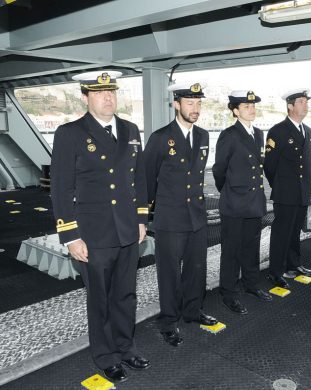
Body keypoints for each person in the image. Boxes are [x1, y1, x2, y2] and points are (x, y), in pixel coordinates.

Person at [50, 70, 150, 382]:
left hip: (127, 231)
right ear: (86, 97)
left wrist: (141, 219)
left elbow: (140, 179)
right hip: (93, 235)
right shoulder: (70, 133)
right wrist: (70, 236)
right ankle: (105, 355)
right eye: (99, 93)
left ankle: (125, 346)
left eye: (111, 92)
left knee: (126, 294)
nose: (108, 98)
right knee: (101, 298)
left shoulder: (131, 129)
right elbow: (61, 189)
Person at [144, 82, 218, 348]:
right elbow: (146, 179)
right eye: (190, 103)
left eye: (198, 103)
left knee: (197, 269)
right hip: (170, 218)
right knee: (169, 274)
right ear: (176, 104)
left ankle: (192, 311)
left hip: (196, 215)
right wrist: (145, 216)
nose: (195, 109)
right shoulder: (161, 137)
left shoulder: (204, 136)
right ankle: (168, 320)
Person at [212, 90, 272, 315]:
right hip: (235, 202)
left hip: (254, 200)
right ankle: (228, 293)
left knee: (251, 247)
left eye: (253, 106)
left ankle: (251, 284)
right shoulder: (229, 135)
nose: (252, 109)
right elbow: (219, 170)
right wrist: (229, 191)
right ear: (235, 111)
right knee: (232, 251)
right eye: (247, 107)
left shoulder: (258, 133)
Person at [264, 88, 311, 289]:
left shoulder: (307, 130)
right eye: (301, 101)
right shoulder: (278, 131)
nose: (306, 105)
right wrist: (279, 185)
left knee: (296, 231)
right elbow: (269, 165)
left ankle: (294, 264)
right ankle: (275, 271)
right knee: (281, 233)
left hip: (302, 191)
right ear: (290, 106)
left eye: (306, 102)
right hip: (285, 192)